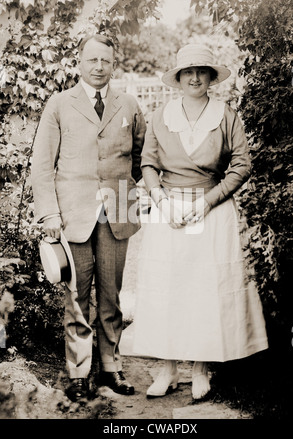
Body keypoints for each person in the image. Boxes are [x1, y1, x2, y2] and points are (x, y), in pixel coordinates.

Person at [133, 44, 268, 400]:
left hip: (212, 209)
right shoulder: (161, 115)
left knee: (204, 290)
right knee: (168, 287)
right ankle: (167, 369)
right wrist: (160, 200)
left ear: (211, 77)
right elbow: (148, 162)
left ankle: (200, 369)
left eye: (201, 71)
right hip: (169, 212)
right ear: (177, 78)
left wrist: (207, 202)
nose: (194, 77)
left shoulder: (226, 116)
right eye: (187, 71)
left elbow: (242, 165)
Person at [31, 34, 146, 401]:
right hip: (71, 215)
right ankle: (79, 372)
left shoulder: (128, 103)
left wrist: (123, 187)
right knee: (77, 295)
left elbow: (143, 156)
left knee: (112, 294)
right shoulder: (60, 104)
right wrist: (49, 211)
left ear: (114, 64)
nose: (99, 67)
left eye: (105, 61)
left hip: (118, 210)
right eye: (92, 60)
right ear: (79, 62)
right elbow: (42, 164)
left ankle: (110, 368)